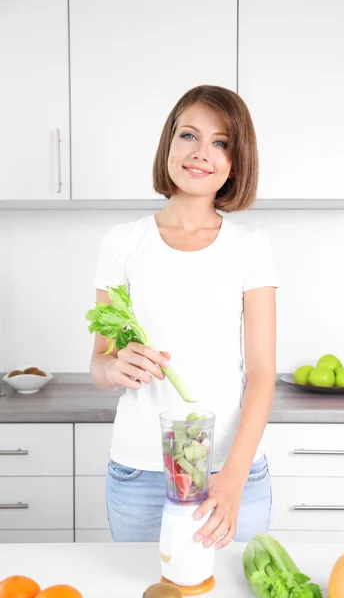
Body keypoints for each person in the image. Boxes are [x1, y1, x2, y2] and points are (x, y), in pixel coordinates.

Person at [90, 85, 279, 551]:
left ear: (237, 161)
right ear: (168, 144)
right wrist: (114, 368)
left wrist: (232, 480)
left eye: (221, 142)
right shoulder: (122, 243)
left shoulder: (251, 246)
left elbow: (261, 374)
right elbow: (99, 363)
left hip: (233, 472)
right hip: (140, 475)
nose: (200, 153)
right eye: (188, 135)